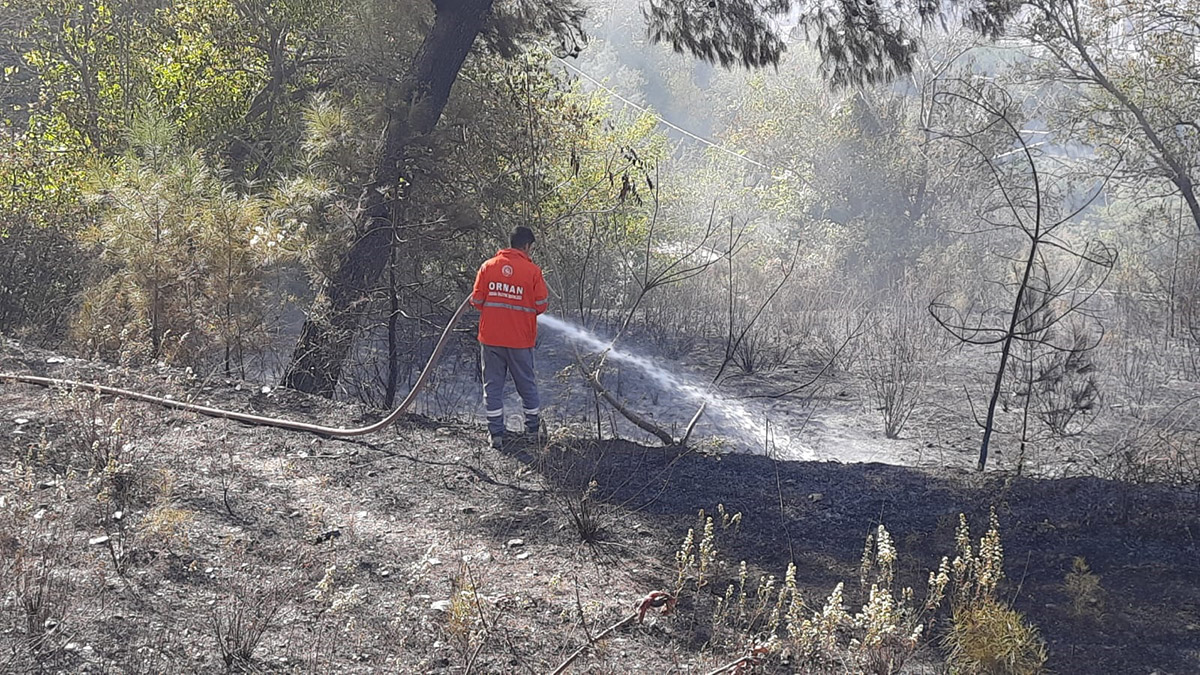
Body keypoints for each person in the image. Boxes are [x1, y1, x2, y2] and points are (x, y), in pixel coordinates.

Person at [470, 226, 549, 448]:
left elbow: (476, 302)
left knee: (493, 386)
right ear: (526, 246)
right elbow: (541, 305)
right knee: (527, 386)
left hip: (491, 339)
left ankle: (496, 435)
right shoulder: (532, 271)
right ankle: (532, 432)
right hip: (520, 341)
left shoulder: (487, 267)